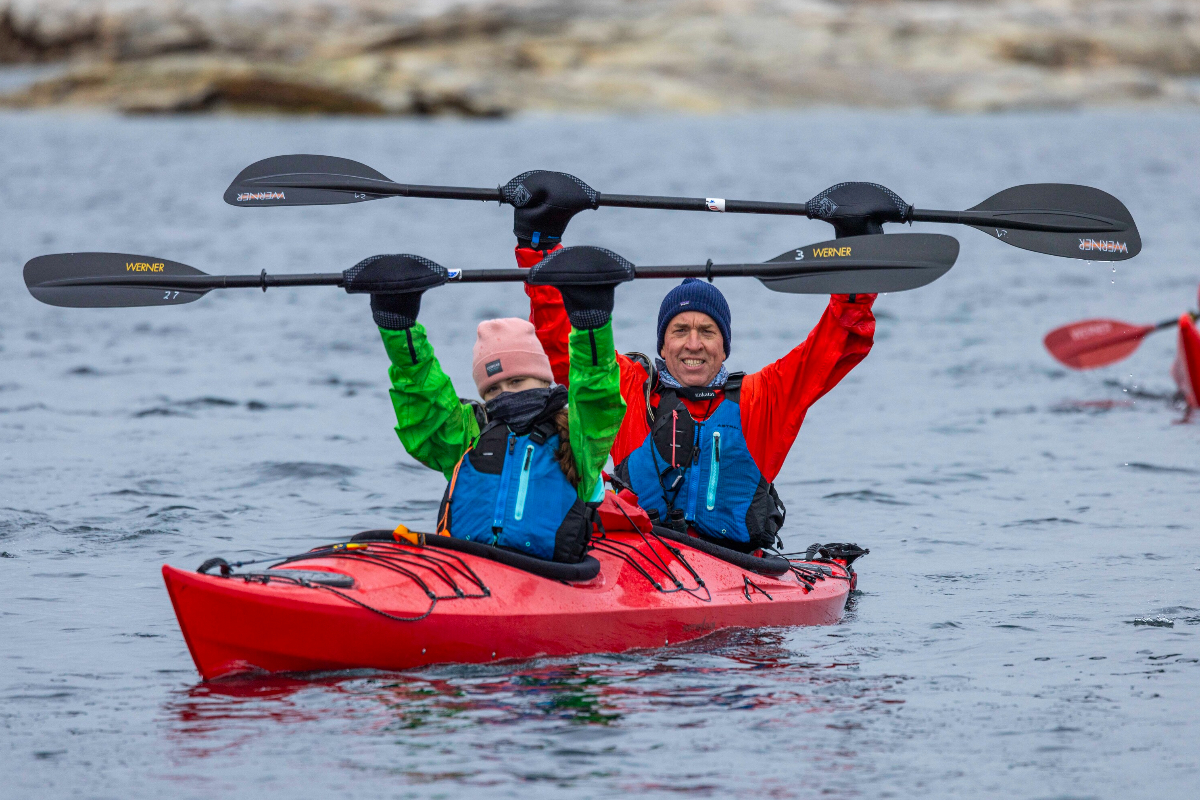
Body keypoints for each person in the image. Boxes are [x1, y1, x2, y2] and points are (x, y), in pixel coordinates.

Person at [501, 171, 878, 553]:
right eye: (680, 331)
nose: (693, 344)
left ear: (725, 347)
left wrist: (857, 252)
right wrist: (539, 244)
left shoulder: (762, 399)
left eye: (707, 332)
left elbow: (837, 339)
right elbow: (566, 341)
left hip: (738, 568)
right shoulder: (631, 390)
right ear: (662, 346)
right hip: (641, 563)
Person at [343, 248, 631, 562]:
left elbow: (595, 389)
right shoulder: (470, 436)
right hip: (468, 571)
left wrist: (591, 319)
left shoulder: (579, 437)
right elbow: (424, 398)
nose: (506, 393)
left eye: (518, 382)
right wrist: (398, 322)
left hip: (549, 579)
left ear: (544, 381)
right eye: (493, 388)